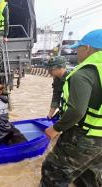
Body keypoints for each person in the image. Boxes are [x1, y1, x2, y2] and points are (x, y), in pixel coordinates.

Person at [40, 29, 102, 187]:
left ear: (87, 48)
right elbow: (57, 96)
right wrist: (50, 115)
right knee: (89, 175)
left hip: (84, 134)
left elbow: (77, 110)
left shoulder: (82, 74)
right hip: (98, 137)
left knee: (53, 172)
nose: (76, 52)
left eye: (78, 48)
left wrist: (56, 128)